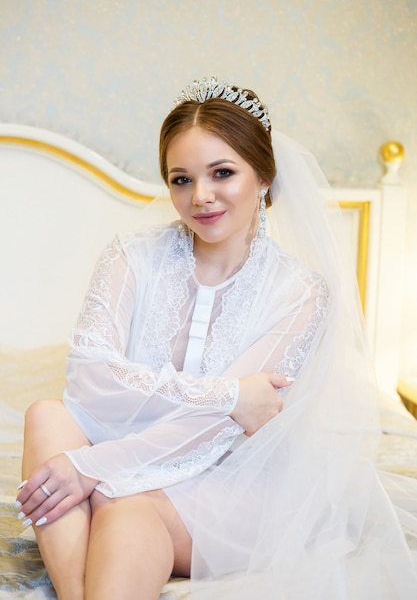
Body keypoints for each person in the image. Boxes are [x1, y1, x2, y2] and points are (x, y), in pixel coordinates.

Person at [16, 77, 417, 600]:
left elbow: (218, 433)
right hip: (127, 444)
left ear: (265, 177)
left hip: (232, 480)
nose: (200, 197)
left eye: (222, 173)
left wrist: (87, 467)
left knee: (123, 502)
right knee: (46, 414)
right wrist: (231, 395)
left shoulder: (300, 293)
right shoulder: (129, 256)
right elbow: (89, 380)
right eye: (181, 179)